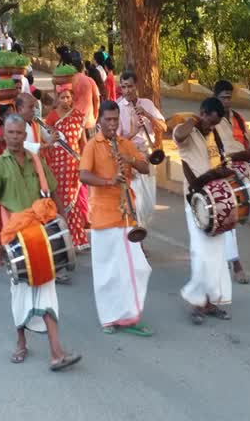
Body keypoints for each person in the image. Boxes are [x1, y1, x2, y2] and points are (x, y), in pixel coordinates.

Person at [0, 114, 82, 371]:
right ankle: (21, 343)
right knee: (20, 293)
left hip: (41, 237)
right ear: (4, 134)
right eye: (11, 133)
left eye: (20, 133)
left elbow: (53, 189)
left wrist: (64, 222)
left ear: (25, 135)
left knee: (47, 290)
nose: (16, 137)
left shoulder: (35, 161)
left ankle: (55, 351)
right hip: (15, 240)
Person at [79, 101, 153, 335]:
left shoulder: (125, 144)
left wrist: (129, 159)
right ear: (100, 120)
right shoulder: (92, 145)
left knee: (136, 268)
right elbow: (83, 175)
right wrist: (109, 182)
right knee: (107, 271)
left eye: (115, 120)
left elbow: (145, 168)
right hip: (103, 215)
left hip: (127, 214)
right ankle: (109, 318)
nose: (112, 124)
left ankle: (129, 315)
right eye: (108, 120)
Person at [174, 98, 249, 325]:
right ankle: (196, 303)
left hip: (216, 201)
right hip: (196, 202)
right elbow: (178, 136)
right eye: (209, 121)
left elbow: (220, 160)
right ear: (202, 113)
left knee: (216, 255)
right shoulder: (187, 130)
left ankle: (209, 301)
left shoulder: (213, 134)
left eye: (215, 123)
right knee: (200, 253)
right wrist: (195, 121)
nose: (211, 127)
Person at [212, 80, 250, 284]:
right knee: (228, 220)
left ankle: (223, 259)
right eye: (223, 98)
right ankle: (236, 263)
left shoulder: (239, 118)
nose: (226, 101)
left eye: (229, 97)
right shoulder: (211, 120)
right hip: (221, 174)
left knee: (227, 221)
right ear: (215, 98)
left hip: (241, 174)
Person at [117, 72, 166, 244]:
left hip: (148, 155)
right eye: (124, 87)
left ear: (136, 86)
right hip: (130, 158)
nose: (127, 90)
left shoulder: (147, 104)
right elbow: (115, 141)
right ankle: (138, 244)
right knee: (136, 203)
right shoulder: (118, 107)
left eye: (130, 86)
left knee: (148, 204)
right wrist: (132, 133)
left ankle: (139, 236)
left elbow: (163, 126)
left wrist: (147, 115)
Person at [44, 83, 88, 252]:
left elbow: (82, 141)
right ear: (57, 99)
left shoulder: (78, 116)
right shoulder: (52, 117)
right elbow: (48, 140)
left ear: (72, 99)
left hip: (74, 163)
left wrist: (84, 162)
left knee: (74, 201)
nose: (65, 100)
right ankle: (63, 241)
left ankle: (78, 239)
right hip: (57, 164)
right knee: (61, 201)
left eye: (68, 97)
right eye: (62, 97)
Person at [72, 57, 100, 136]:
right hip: (89, 119)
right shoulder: (89, 80)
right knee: (90, 146)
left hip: (74, 121)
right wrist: (95, 115)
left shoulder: (69, 81)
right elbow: (97, 99)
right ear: (83, 68)